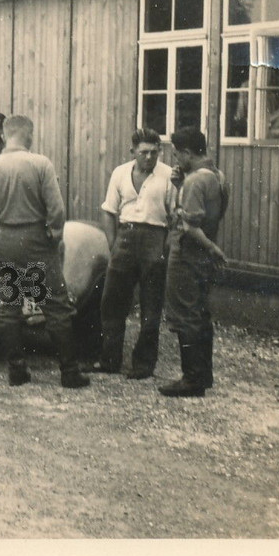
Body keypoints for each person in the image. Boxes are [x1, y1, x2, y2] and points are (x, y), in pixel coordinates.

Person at [0, 115, 90, 389]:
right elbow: (57, 210)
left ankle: (16, 370)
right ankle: (69, 372)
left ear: (4, 136)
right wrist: (54, 236)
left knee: (8, 307)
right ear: (29, 135)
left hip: (4, 240)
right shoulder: (40, 164)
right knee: (56, 305)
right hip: (36, 241)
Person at [95, 128, 177, 378]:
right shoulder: (120, 173)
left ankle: (143, 365)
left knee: (151, 307)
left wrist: (165, 247)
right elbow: (109, 210)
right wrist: (113, 243)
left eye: (155, 152)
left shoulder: (169, 176)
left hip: (155, 236)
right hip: (125, 237)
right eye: (144, 153)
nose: (150, 157)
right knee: (112, 303)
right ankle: (110, 360)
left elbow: (175, 217)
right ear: (133, 152)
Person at [160, 126, 229, 398]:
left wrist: (212, 248)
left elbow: (189, 225)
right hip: (202, 255)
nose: (176, 160)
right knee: (200, 313)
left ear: (188, 153)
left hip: (189, 252)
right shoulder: (217, 176)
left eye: (177, 155)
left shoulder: (195, 181)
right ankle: (203, 375)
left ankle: (191, 379)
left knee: (185, 315)